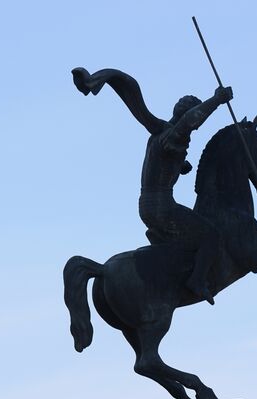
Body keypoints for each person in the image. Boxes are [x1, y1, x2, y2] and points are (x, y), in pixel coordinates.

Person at [72, 67, 232, 303]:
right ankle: (197, 281)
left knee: (185, 241)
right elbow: (190, 121)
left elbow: (165, 157)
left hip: (147, 206)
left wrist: (181, 165)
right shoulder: (175, 134)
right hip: (162, 206)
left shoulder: (161, 134)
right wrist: (217, 100)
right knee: (212, 235)